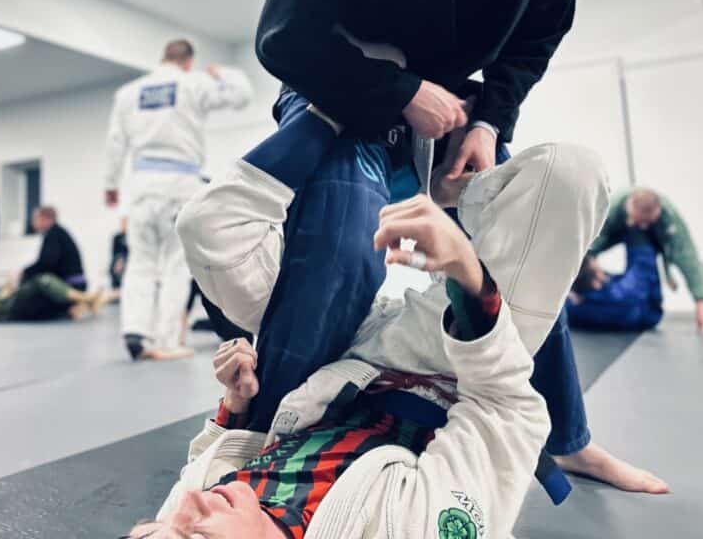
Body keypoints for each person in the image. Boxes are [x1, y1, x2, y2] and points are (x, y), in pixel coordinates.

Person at [249, 0, 660, 494]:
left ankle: (567, 440)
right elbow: (284, 36)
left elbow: (538, 34)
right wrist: (400, 94)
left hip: (450, 109)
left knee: (524, 234)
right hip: (338, 94)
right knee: (346, 238)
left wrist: (491, 119)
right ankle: (257, 443)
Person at [126, 115, 632, 538]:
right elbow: (505, 410)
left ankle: (334, 108)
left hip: (335, 358)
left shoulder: (195, 506)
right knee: (570, 172)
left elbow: (208, 460)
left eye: (153, 527)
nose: (187, 505)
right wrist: (468, 276)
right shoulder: (411, 528)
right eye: (193, 537)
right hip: (447, 366)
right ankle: (455, 189)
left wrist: (235, 408)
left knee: (207, 228)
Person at [104, 39, 252, 361]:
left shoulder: (129, 93)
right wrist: (221, 72)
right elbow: (242, 95)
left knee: (140, 262)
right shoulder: (193, 83)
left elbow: (116, 142)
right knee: (175, 264)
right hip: (180, 184)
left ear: (163, 57)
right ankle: (167, 340)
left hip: (141, 186)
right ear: (188, 61)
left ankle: (136, 332)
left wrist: (110, 183)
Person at [569, 188, 703, 333]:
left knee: (693, 268)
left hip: (633, 308)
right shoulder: (610, 212)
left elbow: (687, 257)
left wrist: (701, 300)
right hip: (642, 311)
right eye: (639, 221)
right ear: (629, 208)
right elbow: (586, 248)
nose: (643, 227)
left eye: (648, 222)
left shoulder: (667, 217)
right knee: (592, 262)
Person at [20, 206, 88, 291]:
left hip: (71, 285)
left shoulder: (53, 235)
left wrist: (25, 273)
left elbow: (46, 263)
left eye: (35, 219)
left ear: (45, 219)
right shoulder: (58, 233)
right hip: (75, 283)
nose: (33, 222)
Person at [108, 217, 129, 303]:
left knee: (121, 261)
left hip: (128, 261)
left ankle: (120, 291)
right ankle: (117, 289)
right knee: (117, 262)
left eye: (126, 223)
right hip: (118, 260)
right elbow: (114, 252)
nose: (124, 225)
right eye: (122, 223)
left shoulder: (132, 236)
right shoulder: (117, 237)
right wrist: (118, 261)